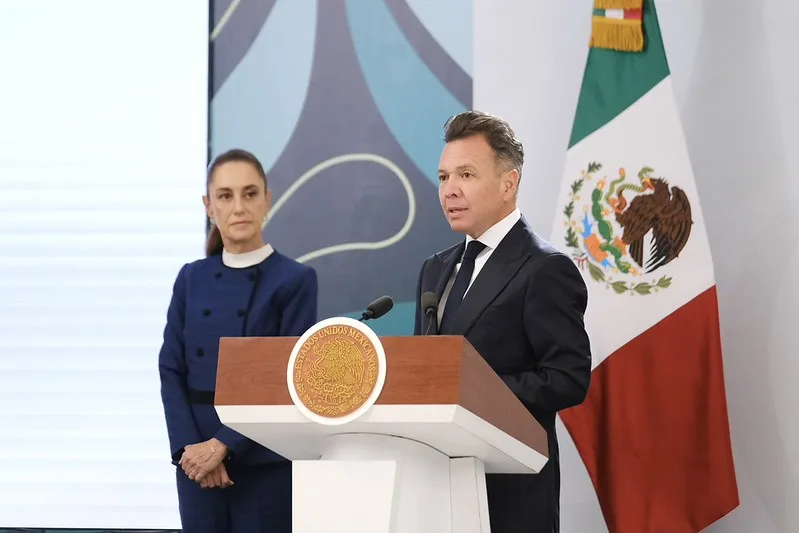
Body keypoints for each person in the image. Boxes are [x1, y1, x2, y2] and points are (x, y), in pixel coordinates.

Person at [413, 111, 592, 533]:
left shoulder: (544, 268)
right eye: (443, 177)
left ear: (508, 184)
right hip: (437, 486)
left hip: (511, 494)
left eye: (466, 175)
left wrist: (470, 393)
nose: (449, 190)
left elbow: (568, 378)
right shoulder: (434, 269)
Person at [158, 148, 318, 532]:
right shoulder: (190, 278)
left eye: (249, 193)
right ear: (208, 206)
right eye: (225, 196)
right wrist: (189, 450)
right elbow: (170, 368)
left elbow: (285, 379)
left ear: (267, 200)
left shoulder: (295, 280)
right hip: (194, 466)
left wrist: (222, 446)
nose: (239, 206)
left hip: (263, 462)